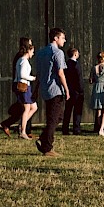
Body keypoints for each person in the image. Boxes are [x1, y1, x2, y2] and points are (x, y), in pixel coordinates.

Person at [33, 28, 70, 157]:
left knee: (57, 117)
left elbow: (39, 74)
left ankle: (43, 138)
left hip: (45, 89)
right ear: (56, 38)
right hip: (55, 89)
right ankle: (47, 147)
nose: (64, 40)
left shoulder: (41, 52)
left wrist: (36, 90)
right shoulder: (58, 53)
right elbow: (60, 73)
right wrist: (66, 89)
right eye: (62, 38)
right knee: (54, 118)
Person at [0, 37, 36, 139]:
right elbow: (22, 74)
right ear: (28, 50)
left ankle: (22, 125)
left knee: (34, 107)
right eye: (32, 51)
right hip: (23, 86)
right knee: (26, 108)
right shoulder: (23, 60)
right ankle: (23, 131)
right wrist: (33, 78)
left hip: (26, 85)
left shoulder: (23, 59)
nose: (33, 53)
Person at [61, 47, 85, 135]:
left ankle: (65, 128)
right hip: (77, 91)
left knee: (68, 110)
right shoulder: (76, 65)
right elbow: (79, 78)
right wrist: (81, 90)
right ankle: (76, 129)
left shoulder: (66, 64)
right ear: (75, 54)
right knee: (77, 110)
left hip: (69, 89)